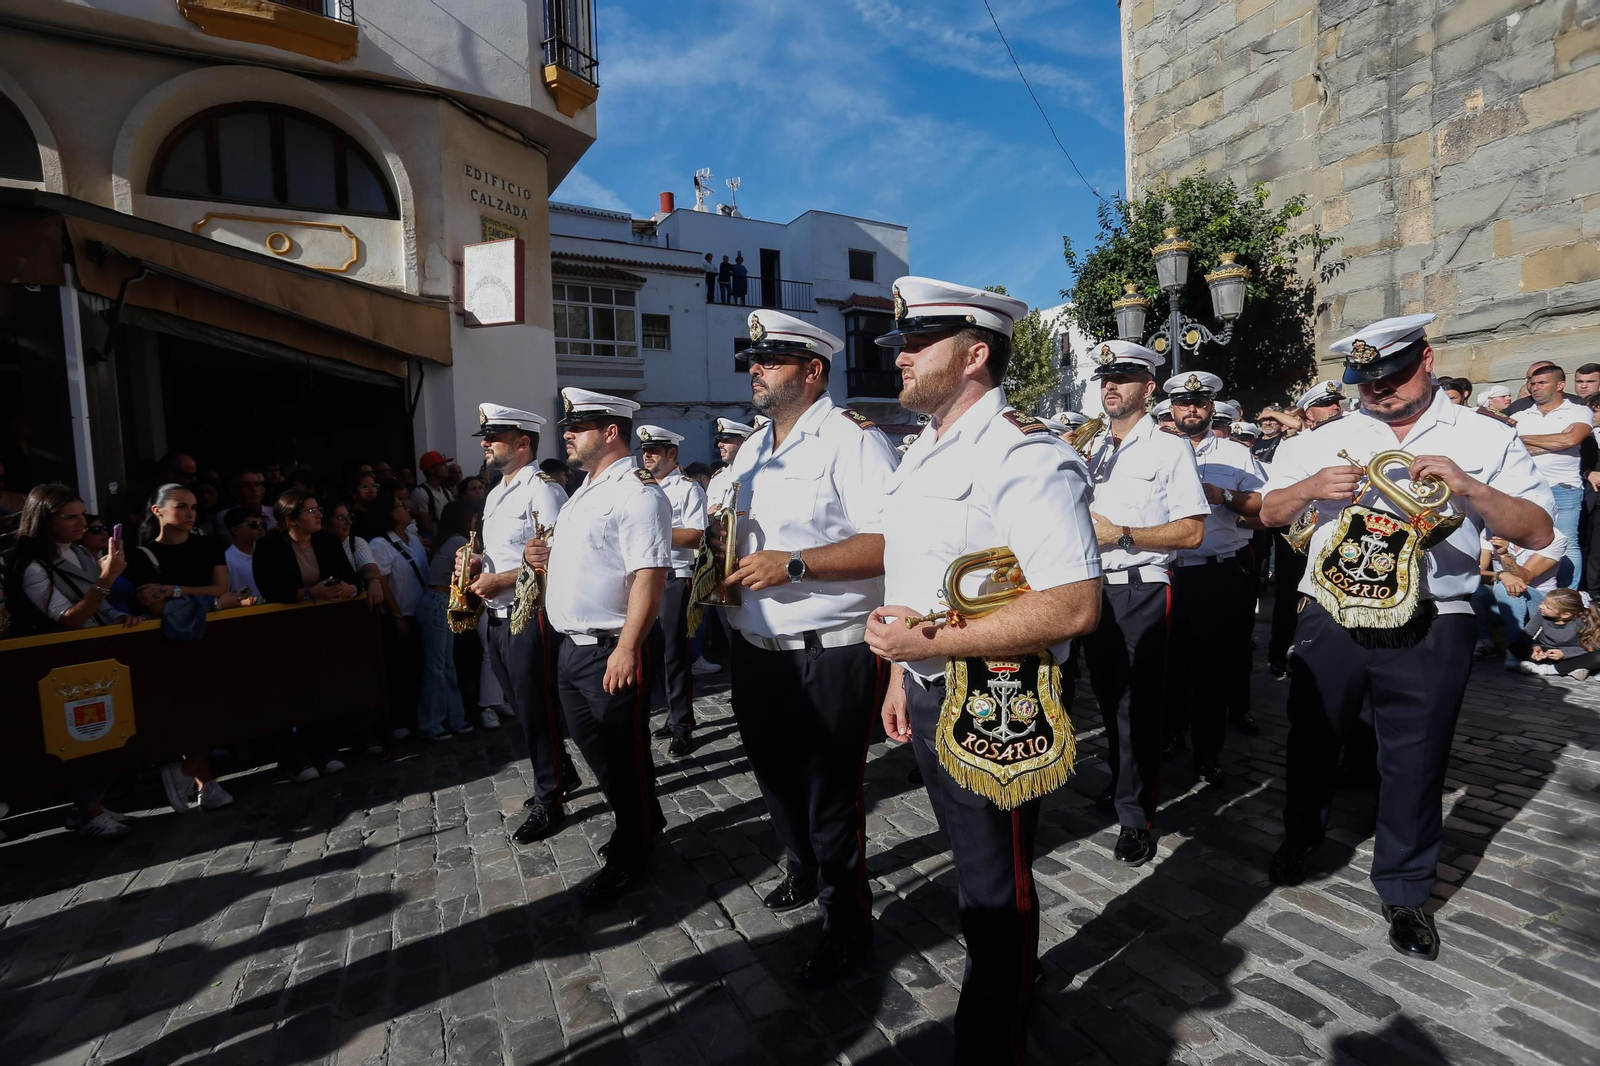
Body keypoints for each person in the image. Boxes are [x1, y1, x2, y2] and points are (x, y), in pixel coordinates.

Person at [1260, 312, 1554, 962]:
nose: (1380, 393)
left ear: (1424, 361)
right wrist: (1309, 488)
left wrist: (1471, 489)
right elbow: (1267, 512)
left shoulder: (1482, 435)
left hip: (1434, 616)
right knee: (1313, 735)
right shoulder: (1326, 436)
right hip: (1334, 610)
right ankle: (1301, 835)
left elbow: (1536, 530)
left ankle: (1405, 887)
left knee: (1416, 757)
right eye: (1368, 382)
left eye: (1390, 378)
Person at [862, 277, 1102, 1060]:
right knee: (973, 866)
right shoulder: (920, 453)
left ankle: (995, 1026)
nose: (898, 357)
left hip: (1001, 696)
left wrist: (924, 649)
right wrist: (904, 674)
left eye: (913, 343)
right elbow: (916, 579)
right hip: (934, 688)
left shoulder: (1025, 454)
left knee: (996, 880)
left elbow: (1072, 606)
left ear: (974, 354)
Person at [713, 309, 898, 982]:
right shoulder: (754, 449)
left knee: (830, 795)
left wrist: (795, 564)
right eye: (754, 360)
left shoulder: (852, 440)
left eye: (770, 360)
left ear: (812, 370)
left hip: (829, 650)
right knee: (775, 780)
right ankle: (803, 870)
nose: (755, 369)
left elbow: (887, 540)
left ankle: (846, 921)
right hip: (756, 648)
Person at [536, 387, 671, 901]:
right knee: (596, 748)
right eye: (569, 426)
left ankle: (632, 848)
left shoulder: (636, 492)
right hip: (574, 648)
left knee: (625, 752)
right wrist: (539, 556)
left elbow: (649, 577)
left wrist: (627, 648)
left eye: (578, 426)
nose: (567, 433)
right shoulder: (585, 489)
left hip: (611, 646)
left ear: (610, 431)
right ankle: (643, 817)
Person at [1078, 341, 1207, 866]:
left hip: (1141, 585)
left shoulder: (1169, 448)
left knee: (1139, 705)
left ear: (1148, 388)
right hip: (1093, 588)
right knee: (1108, 700)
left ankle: (1138, 817)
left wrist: (1125, 536)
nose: (1111, 385)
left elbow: (1193, 531)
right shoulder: (1094, 449)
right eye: (1105, 376)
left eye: (1124, 377)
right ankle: (1120, 783)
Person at [468, 403, 573, 844]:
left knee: (536, 708)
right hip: (496, 614)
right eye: (486, 438)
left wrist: (502, 579)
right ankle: (561, 771)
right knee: (520, 705)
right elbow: (504, 554)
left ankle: (550, 798)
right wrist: (475, 563)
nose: (487, 444)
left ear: (523, 442)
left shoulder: (543, 491)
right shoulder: (495, 493)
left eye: (494, 437)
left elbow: (561, 558)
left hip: (530, 614)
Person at [1161, 372, 1267, 781]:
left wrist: (1222, 496)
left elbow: (1263, 510)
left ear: (1210, 408)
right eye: (1184, 403)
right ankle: (1170, 733)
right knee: (1168, 663)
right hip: (1166, 572)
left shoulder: (1237, 454)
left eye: (1199, 403)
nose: (1191, 409)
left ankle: (1208, 750)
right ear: (1172, 408)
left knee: (1211, 668)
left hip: (1216, 573)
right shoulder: (1158, 451)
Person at [636, 425, 708, 756]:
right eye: (645, 450)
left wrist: (655, 531)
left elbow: (696, 536)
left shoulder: (688, 489)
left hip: (676, 577)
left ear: (672, 454)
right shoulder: (639, 488)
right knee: (651, 651)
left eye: (654, 450)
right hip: (644, 577)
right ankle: (669, 711)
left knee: (673, 654)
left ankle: (683, 723)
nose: (647, 455)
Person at [1513, 362, 1591, 588]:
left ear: (1560, 385)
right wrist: (1554, 440)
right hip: (1528, 488)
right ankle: (1538, 591)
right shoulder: (1521, 414)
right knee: (1530, 539)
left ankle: (1567, 596)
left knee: (1567, 542)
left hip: (1563, 486)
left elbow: (1571, 440)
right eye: (1532, 383)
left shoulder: (1577, 410)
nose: (1535, 387)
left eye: (1542, 383)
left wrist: (1525, 439)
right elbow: (1513, 448)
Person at [364, 495, 429, 739]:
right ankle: (399, 720)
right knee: (400, 670)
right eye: (400, 505)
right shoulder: (380, 544)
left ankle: (416, 716)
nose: (406, 508)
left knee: (417, 668)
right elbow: (382, 581)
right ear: (391, 514)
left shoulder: (413, 539)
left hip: (420, 612)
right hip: (400, 615)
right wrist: (397, 615)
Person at [417, 500, 474, 740]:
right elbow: (470, 573)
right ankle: (431, 724)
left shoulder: (446, 540)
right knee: (437, 668)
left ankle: (455, 718)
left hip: (439, 603)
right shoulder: (459, 542)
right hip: (439, 603)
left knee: (446, 666)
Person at [1473, 527, 1566, 661]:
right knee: (1473, 587)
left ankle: (1517, 648)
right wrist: (1501, 575)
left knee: (1504, 586)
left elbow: (1525, 578)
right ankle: (1484, 641)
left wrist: (1504, 554)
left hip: (1540, 602)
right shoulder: (1491, 531)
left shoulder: (1553, 537)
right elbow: (1476, 572)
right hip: (1503, 598)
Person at [252, 490, 359, 605]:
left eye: (319, 509)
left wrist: (350, 589)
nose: (319, 515)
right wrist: (309, 593)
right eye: (311, 511)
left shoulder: (329, 541)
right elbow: (271, 592)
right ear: (290, 520)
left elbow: (352, 578)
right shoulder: (268, 546)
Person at [1513, 588, 1598, 675]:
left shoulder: (1581, 620)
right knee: (1516, 645)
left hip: (1573, 653)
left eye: (1547, 607)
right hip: (1547, 652)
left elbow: (1592, 645)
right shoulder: (1542, 613)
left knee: (1597, 657)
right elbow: (1527, 634)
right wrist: (1534, 647)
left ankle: (1550, 669)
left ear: (1565, 614)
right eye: (1543, 602)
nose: (1541, 606)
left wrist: (1564, 653)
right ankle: (1573, 668)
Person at [706, 418, 754, 514]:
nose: (719, 444)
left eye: (726, 440)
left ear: (745, 442)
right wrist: (709, 514)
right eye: (720, 440)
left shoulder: (756, 474)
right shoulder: (717, 478)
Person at [215, 469, 275, 542]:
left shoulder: (274, 511)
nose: (254, 489)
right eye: (246, 485)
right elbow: (239, 545)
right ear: (235, 491)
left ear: (262, 489)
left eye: (256, 484)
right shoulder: (224, 516)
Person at [222, 507, 268, 603]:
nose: (261, 529)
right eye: (254, 525)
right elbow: (228, 597)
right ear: (235, 530)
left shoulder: (270, 553)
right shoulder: (228, 560)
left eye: (263, 525)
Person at [410, 450, 455, 537]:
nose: (446, 467)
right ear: (431, 469)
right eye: (442, 464)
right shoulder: (420, 493)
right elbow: (424, 524)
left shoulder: (446, 492)